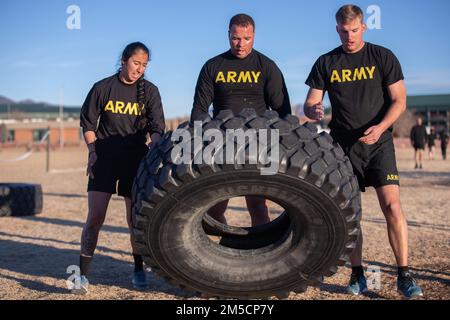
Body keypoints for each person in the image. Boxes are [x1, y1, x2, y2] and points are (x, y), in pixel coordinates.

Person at [304, 5, 423, 298]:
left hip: (379, 143)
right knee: (351, 213)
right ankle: (357, 275)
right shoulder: (326, 62)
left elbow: (399, 101)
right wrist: (313, 108)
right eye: (344, 31)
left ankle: (404, 276)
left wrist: (381, 127)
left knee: (392, 207)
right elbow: (310, 102)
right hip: (343, 146)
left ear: (363, 28)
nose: (349, 36)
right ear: (337, 30)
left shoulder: (382, 56)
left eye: (354, 30)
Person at [75, 42, 165, 294]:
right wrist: (92, 153)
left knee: (133, 219)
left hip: (135, 160)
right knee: (95, 217)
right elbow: (89, 124)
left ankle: (138, 271)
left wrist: (155, 152)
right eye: (136, 63)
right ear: (124, 60)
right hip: (104, 158)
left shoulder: (150, 91)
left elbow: (157, 128)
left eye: (144, 65)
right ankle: (81, 276)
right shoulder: (103, 87)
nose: (140, 69)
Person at [191, 14, 291, 226]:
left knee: (257, 206)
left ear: (254, 36)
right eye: (236, 38)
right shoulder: (213, 66)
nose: (240, 44)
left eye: (246, 38)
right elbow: (199, 110)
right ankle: (226, 247)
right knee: (214, 208)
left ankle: (261, 250)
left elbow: (283, 110)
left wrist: (283, 142)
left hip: (259, 140)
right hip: (222, 140)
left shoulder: (267, 66)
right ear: (228, 35)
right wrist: (202, 140)